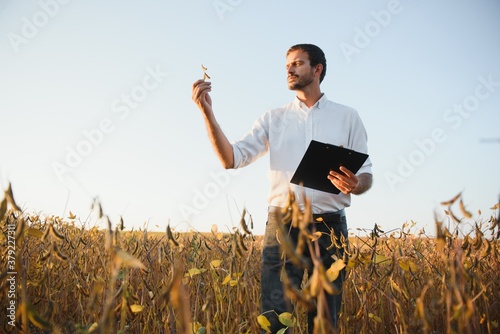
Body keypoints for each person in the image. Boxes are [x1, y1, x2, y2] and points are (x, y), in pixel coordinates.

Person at [192, 43, 373, 333]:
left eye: (298, 63)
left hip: (330, 228)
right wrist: (207, 113)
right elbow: (231, 159)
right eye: (287, 64)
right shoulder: (273, 118)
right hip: (283, 226)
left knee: (325, 320)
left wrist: (356, 183)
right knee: (275, 319)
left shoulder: (347, 117)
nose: (290, 69)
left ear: (317, 70)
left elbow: (365, 175)